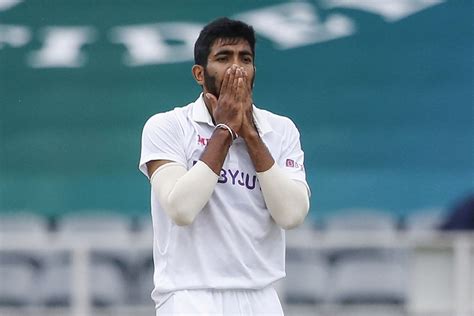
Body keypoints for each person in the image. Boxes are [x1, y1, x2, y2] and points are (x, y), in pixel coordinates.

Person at [139, 17, 310, 315]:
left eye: (245, 59)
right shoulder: (168, 126)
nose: (236, 68)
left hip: (261, 297)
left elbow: (292, 215)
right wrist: (226, 131)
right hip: (190, 296)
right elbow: (181, 209)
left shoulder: (281, 130)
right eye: (223, 58)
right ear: (199, 73)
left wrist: (250, 135)